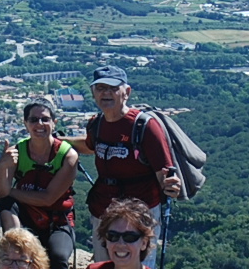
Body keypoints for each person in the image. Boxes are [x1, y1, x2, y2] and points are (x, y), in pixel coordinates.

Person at [0, 99, 79, 269]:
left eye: (45, 119)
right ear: (25, 123)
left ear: (54, 123)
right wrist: (3, 166)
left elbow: (48, 198)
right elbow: (3, 192)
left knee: (58, 258)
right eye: (33, 120)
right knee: (7, 206)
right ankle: (16, 243)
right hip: (26, 216)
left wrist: (10, 192)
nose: (39, 124)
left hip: (57, 220)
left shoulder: (67, 156)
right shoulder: (17, 152)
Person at [76, 65, 184, 221]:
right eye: (100, 88)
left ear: (127, 92)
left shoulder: (145, 126)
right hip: (103, 211)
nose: (106, 93)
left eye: (113, 88)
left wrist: (171, 185)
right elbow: (89, 146)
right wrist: (55, 140)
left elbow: (163, 172)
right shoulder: (96, 124)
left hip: (140, 215)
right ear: (93, 93)